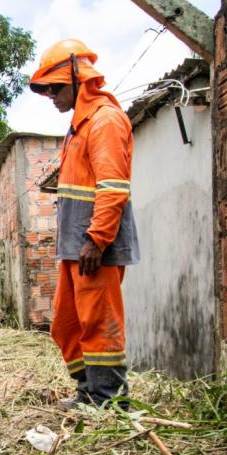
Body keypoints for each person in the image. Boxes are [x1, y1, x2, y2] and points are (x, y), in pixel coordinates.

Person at [29, 39, 139, 408]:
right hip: (78, 245)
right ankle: (88, 392)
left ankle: (109, 402)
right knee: (66, 323)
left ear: (78, 79)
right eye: (46, 89)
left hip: (95, 245)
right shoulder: (79, 124)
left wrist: (98, 238)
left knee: (99, 323)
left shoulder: (104, 120)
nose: (50, 96)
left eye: (55, 88)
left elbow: (113, 186)